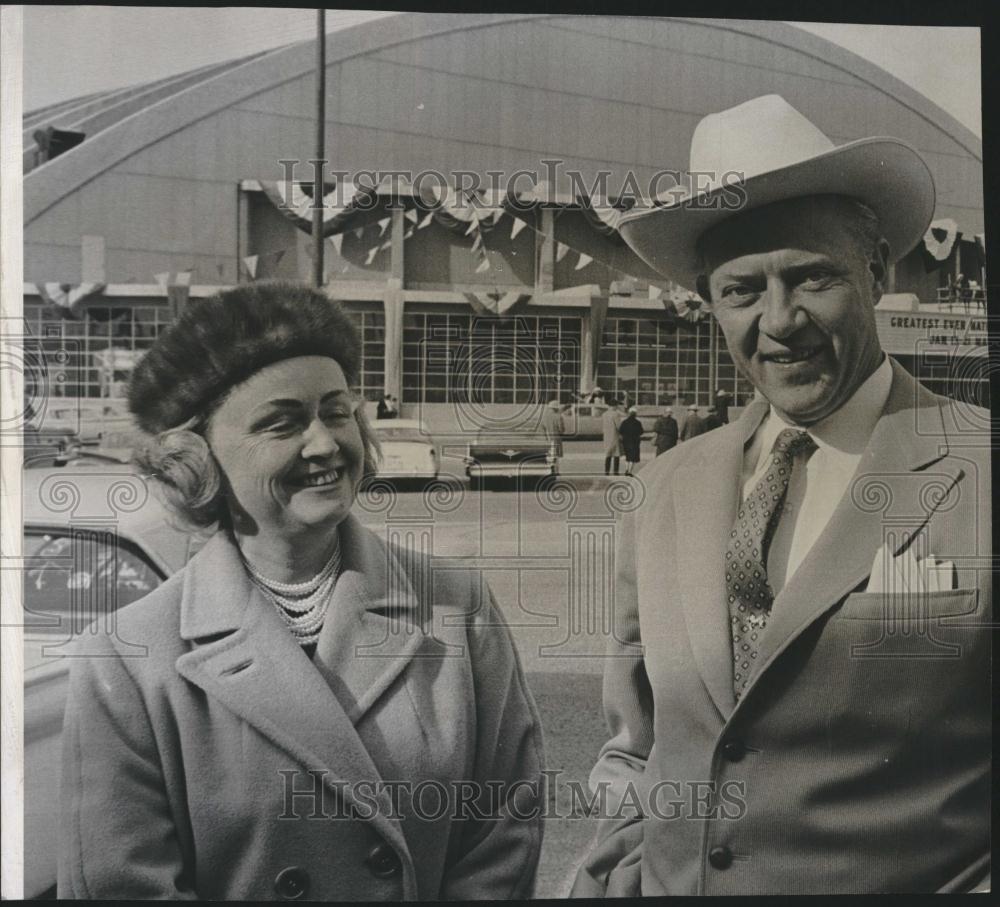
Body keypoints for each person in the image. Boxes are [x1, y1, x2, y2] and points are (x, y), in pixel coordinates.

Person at [573, 95, 990, 895]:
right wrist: (611, 875)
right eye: (742, 290)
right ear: (709, 301)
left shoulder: (982, 466)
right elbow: (636, 745)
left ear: (878, 268)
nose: (780, 321)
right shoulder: (663, 489)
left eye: (811, 276)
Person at [58, 282, 545, 900]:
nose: (325, 443)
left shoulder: (455, 604)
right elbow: (121, 883)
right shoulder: (127, 656)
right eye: (282, 423)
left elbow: (505, 830)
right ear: (196, 457)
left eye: (337, 411)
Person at [617, 406, 644, 476]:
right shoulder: (638, 422)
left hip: (626, 441)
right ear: (635, 414)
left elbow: (621, 431)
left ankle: (626, 469)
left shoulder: (624, 422)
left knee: (628, 456)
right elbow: (641, 432)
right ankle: (630, 471)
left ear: (629, 413)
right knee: (633, 457)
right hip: (635, 441)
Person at [601, 398, 625, 475]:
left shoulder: (604, 414)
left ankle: (606, 471)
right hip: (614, 436)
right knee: (616, 454)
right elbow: (619, 426)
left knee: (608, 454)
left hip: (607, 436)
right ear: (614, 405)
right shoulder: (615, 414)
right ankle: (615, 472)